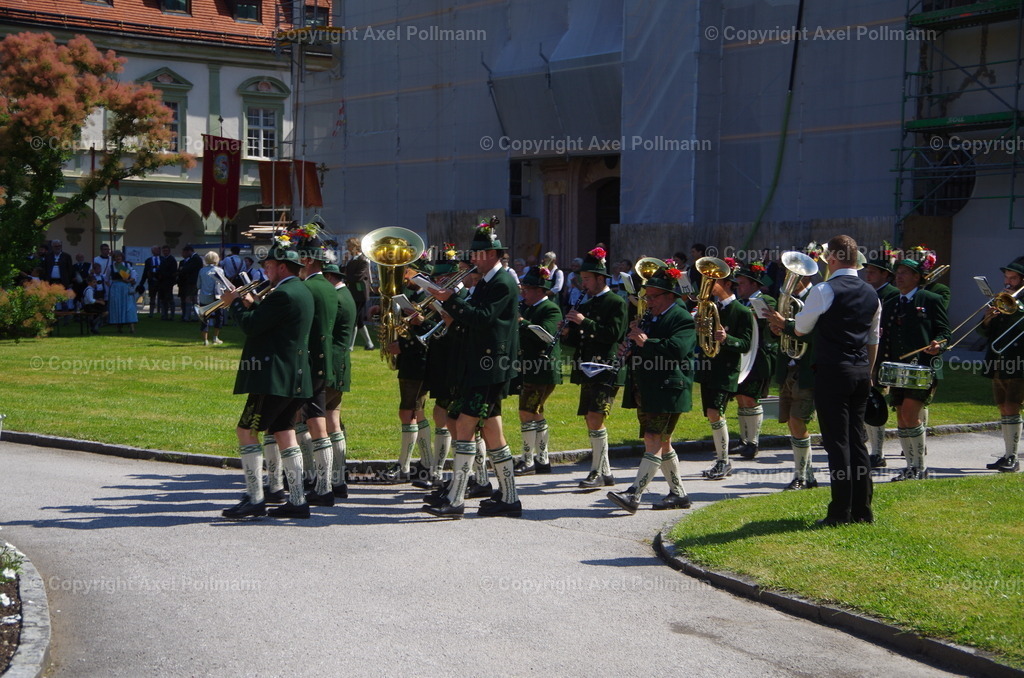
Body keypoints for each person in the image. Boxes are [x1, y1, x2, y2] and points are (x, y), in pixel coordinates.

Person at [764, 235, 881, 526]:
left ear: (832, 259)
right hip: (860, 371)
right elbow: (873, 339)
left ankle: (840, 512)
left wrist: (782, 323)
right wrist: (868, 372)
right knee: (857, 441)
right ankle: (863, 510)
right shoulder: (872, 293)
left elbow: (802, 329)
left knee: (837, 442)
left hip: (833, 372)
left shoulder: (824, 289)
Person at [422, 220, 521, 518]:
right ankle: (509, 498)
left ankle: (455, 499)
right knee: (489, 429)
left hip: (489, 367)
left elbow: (482, 318)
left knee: (464, 427)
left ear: (492, 254)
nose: (472, 260)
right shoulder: (488, 282)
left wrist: (450, 299)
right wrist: (448, 306)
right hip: (479, 366)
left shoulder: (502, 282)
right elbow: (471, 321)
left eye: (477, 255)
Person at [220, 243, 315, 520]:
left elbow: (251, 327)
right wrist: (255, 305)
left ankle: (255, 498)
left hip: (274, 378)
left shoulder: (283, 293)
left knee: (246, 431)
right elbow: (275, 323)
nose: (265, 270)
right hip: (295, 377)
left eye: (269, 266)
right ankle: (297, 500)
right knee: (285, 433)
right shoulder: (300, 291)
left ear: (282, 267)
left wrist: (234, 303)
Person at [608, 263, 696, 513]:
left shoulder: (681, 317)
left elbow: (678, 350)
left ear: (670, 296)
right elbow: (642, 346)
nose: (648, 301)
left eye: (653, 296)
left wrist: (646, 341)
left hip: (668, 388)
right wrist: (629, 347)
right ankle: (679, 494)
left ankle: (634, 494)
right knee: (663, 442)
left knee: (653, 439)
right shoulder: (651, 316)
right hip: (648, 387)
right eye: (647, 296)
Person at [561, 246, 628, 489]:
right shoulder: (586, 303)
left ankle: (597, 471)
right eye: (582, 279)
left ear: (601, 278)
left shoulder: (616, 302)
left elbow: (613, 334)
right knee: (591, 419)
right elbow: (580, 339)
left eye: (587, 279)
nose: (583, 283)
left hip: (606, 367)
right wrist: (567, 332)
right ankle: (606, 472)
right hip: (588, 367)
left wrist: (583, 321)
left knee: (595, 417)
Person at [879, 258, 949, 481]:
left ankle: (920, 467)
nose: (898, 277)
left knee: (910, 414)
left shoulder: (931, 299)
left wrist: (939, 344)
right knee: (901, 417)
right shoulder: (891, 302)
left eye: (904, 273)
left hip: (922, 368)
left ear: (916, 277)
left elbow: (945, 332)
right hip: (897, 369)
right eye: (897, 272)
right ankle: (910, 467)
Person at [696, 258, 755, 480]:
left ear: (727, 284)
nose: (708, 285)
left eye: (713, 282)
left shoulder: (741, 311)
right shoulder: (708, 307)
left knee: (715, 412)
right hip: (708, 368)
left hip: (725, 369)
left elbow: (746, 344)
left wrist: (726, 338)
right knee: (711, 415)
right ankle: (722, 459)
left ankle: (723, 461)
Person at [293, 228, 339, 507]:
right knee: (318, 421)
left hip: (308, 363)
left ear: (308, 261)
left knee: (314, 423)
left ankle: (322, 486)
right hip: (322, 362)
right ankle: (324, 484)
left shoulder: (308, 287)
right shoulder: (328, 287)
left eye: (299, 259)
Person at [383, 255, 433, 483]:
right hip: (411, 363)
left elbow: (429, 335)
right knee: (416, 412)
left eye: (408, 272)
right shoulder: (412, 296)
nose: (404, 276)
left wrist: (401, 345)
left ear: (419, 274)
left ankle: (404, 465)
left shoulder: (429, 299)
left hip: (418, 362)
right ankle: (425, 462)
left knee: (408, 412)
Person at [773, 256, 819, 490]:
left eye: (795, 275)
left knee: (797, 420)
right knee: (792, 424)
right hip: (788, 368)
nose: (789, 279)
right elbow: (783, 335)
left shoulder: (815, 298)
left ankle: (802, 476)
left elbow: (816, 334)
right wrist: (776, 328)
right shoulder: (789, 301)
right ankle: (807, 475)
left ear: (807, 276)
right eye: (788, 274)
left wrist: (787, 326)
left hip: (806, 369)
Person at [513, 266, 563, 476]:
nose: (523, 292)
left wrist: (521, 322)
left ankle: (528, 460)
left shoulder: (550, 309)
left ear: (541, 290)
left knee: (527, 412)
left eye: (528, 289)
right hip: (528, 367)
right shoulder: (524, 306)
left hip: (542, 367)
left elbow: (547, 335)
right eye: (523, 288)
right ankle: (542, 460)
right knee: (536, 412)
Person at [977, 256, 1024, 473]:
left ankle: (1013, 457)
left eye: (1012, 278)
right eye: (1006, 277)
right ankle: (1007, 453)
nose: (1008, 282)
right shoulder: (1001, 299)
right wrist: (988, 318)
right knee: (1003, 407)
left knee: (1012, 405)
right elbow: (983, 332)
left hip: (1019, 361)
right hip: (999, 360)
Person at [731, 261, 777, 460]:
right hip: (743, 356)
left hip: (759, 357)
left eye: (741, 283)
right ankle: (743, 439)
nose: (738, 287)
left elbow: (764, 321)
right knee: (741, 399)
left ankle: (753, 442)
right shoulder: (740, 303)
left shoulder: (766, 299)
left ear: (753, 284)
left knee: (751, 399)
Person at [861, 245, 899, 468]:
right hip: (867, 353)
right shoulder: (869, 292)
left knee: (877, 402)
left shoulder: (892, 295)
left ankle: (878, 452)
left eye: (873, 271)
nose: (868, 274)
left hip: (884, 355)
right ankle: (874, 450)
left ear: (886, 274)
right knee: (869, 401)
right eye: (868, 270)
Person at [322, 261, 358, 496]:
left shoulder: (337, 298)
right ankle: (337, 479)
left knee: (318, 420)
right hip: (339, 363)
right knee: (332, 420)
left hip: (331, 364)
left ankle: (323, 477)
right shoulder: (344, 294)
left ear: (329, 277)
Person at [345, 237, 376, 350]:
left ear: (355, 247)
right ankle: (370, 344)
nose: (348, 248)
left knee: (354, 319)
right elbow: (345, 272)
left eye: (349, 246)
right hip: (353, 292)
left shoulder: (363, 260)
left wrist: (346, 278)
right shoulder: (352, 260)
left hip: (360, 294)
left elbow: (359, 276)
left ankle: (350, 346)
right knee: (358, 320)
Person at [196, 251, 227, 346]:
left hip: (204, 297)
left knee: (204, 318)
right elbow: (224, 285)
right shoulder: (220, 270)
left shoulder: (202, 270)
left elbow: (198, 285)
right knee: (219, 317)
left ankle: (205, 340)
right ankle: (215, 337)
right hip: (217, 297)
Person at [107, 250, 138, 334]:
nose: (118, 258)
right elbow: (106, 279)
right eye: (116, 257)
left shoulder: (127, 265)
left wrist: (130, 280)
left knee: (129, 306)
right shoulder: (111, 267)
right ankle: (119, 327)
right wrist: (112, 287)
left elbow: (134, 275)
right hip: (115, 289)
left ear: (122, 257)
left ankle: (132, 327)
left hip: (125, 288)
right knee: (117, 307)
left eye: (119, 256)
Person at [177, 245, 203, 322]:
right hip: (193, 281)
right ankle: (194, 316)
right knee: (193, 298)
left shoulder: (195, 259)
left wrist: (183, 268)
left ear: (188, 251)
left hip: (192, 281)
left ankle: (188, 317)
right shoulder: (195, 258)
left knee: (189, 298)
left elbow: (188, 268)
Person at [157, 245, 178, 320]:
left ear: (169, 251)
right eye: (164, 251)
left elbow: (173, 272)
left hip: (168, 282)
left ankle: (172, 315)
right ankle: (164, 315)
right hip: (162, 282)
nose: (165, 252)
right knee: (163, 299)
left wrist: (163, 275)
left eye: (166, 251)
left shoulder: (171, 260)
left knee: (169, 299)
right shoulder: (163, 259)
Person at [139, 246, 162, 317]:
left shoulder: (163, 259)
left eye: (158, 250)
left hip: (161, 280)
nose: (157, 251)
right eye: (155, 250)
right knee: (152, 297)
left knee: (162, 297)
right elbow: (145, 272)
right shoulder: (148, 260)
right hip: (152, 280)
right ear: (152, 251)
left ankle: (163, 312)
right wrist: (141, 283)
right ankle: (151, 312)